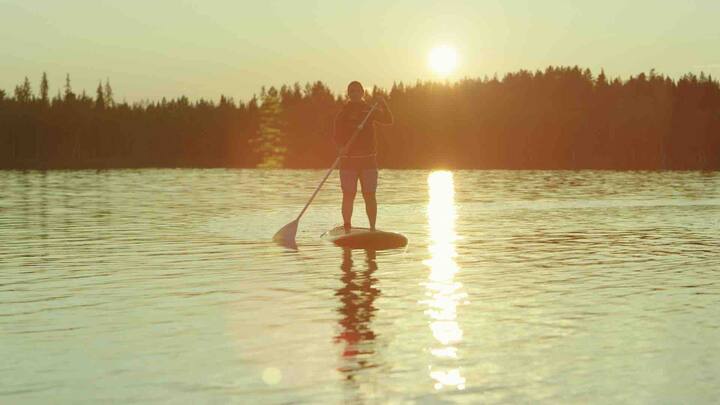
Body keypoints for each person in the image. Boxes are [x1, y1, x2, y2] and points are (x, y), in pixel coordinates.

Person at [333, 81, 393, 232]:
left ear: (362, 93)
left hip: (368, 161)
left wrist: (383, 104)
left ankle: (372, 228)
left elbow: (388, 120)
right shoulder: (343, 113)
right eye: (351, 91)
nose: (354, 94)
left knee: (370, 195)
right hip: (348, 162)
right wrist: (340, 148)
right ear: (348, 94)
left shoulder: (369, 110)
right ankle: (347, 226)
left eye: (357, 91)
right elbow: (336, 135)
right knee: (348, 195)